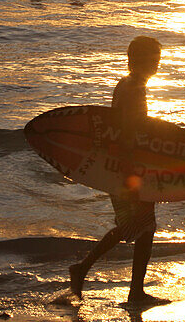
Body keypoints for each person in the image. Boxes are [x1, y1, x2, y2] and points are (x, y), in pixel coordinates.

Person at [69, 36, 168, 308]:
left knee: (139, 227)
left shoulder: (128, 84)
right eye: (153, 59)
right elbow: (127, 134)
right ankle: (92, 273)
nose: (157, 64)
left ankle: (125, 287)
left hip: (122, 166)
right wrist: (132, 174)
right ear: (138, 59)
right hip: (128, 168)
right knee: (140, 227)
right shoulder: (134, 88)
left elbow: (128, 129)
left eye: (158, 59)